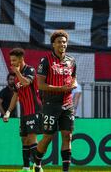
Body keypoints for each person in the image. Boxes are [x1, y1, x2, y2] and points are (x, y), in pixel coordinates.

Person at [33, 30, 77, 172]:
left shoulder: (71, 61)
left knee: (67, 136)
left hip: (67, 104)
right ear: (53, 44)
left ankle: (65, 170)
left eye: (64, 42)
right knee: (47, 137)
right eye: (59, 42)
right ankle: (37, 164)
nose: (62, 44)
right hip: (51, 104)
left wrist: (73, 85)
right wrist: (61, 88)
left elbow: (73, 79)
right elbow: (40, 85)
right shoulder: (45, 61)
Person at [2, 48, 43, 172]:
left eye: (14, 60)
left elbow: (26, 83)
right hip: (24, 112)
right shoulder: (15, 78)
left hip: (34, 109)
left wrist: (18, 73)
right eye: (11, 60)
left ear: (21, 59)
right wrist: (8, 111)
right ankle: (26, 167)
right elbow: (16, 95)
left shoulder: (30, 70)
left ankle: (38, 166)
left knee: (32, 138)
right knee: (24, 139)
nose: (12, 63)